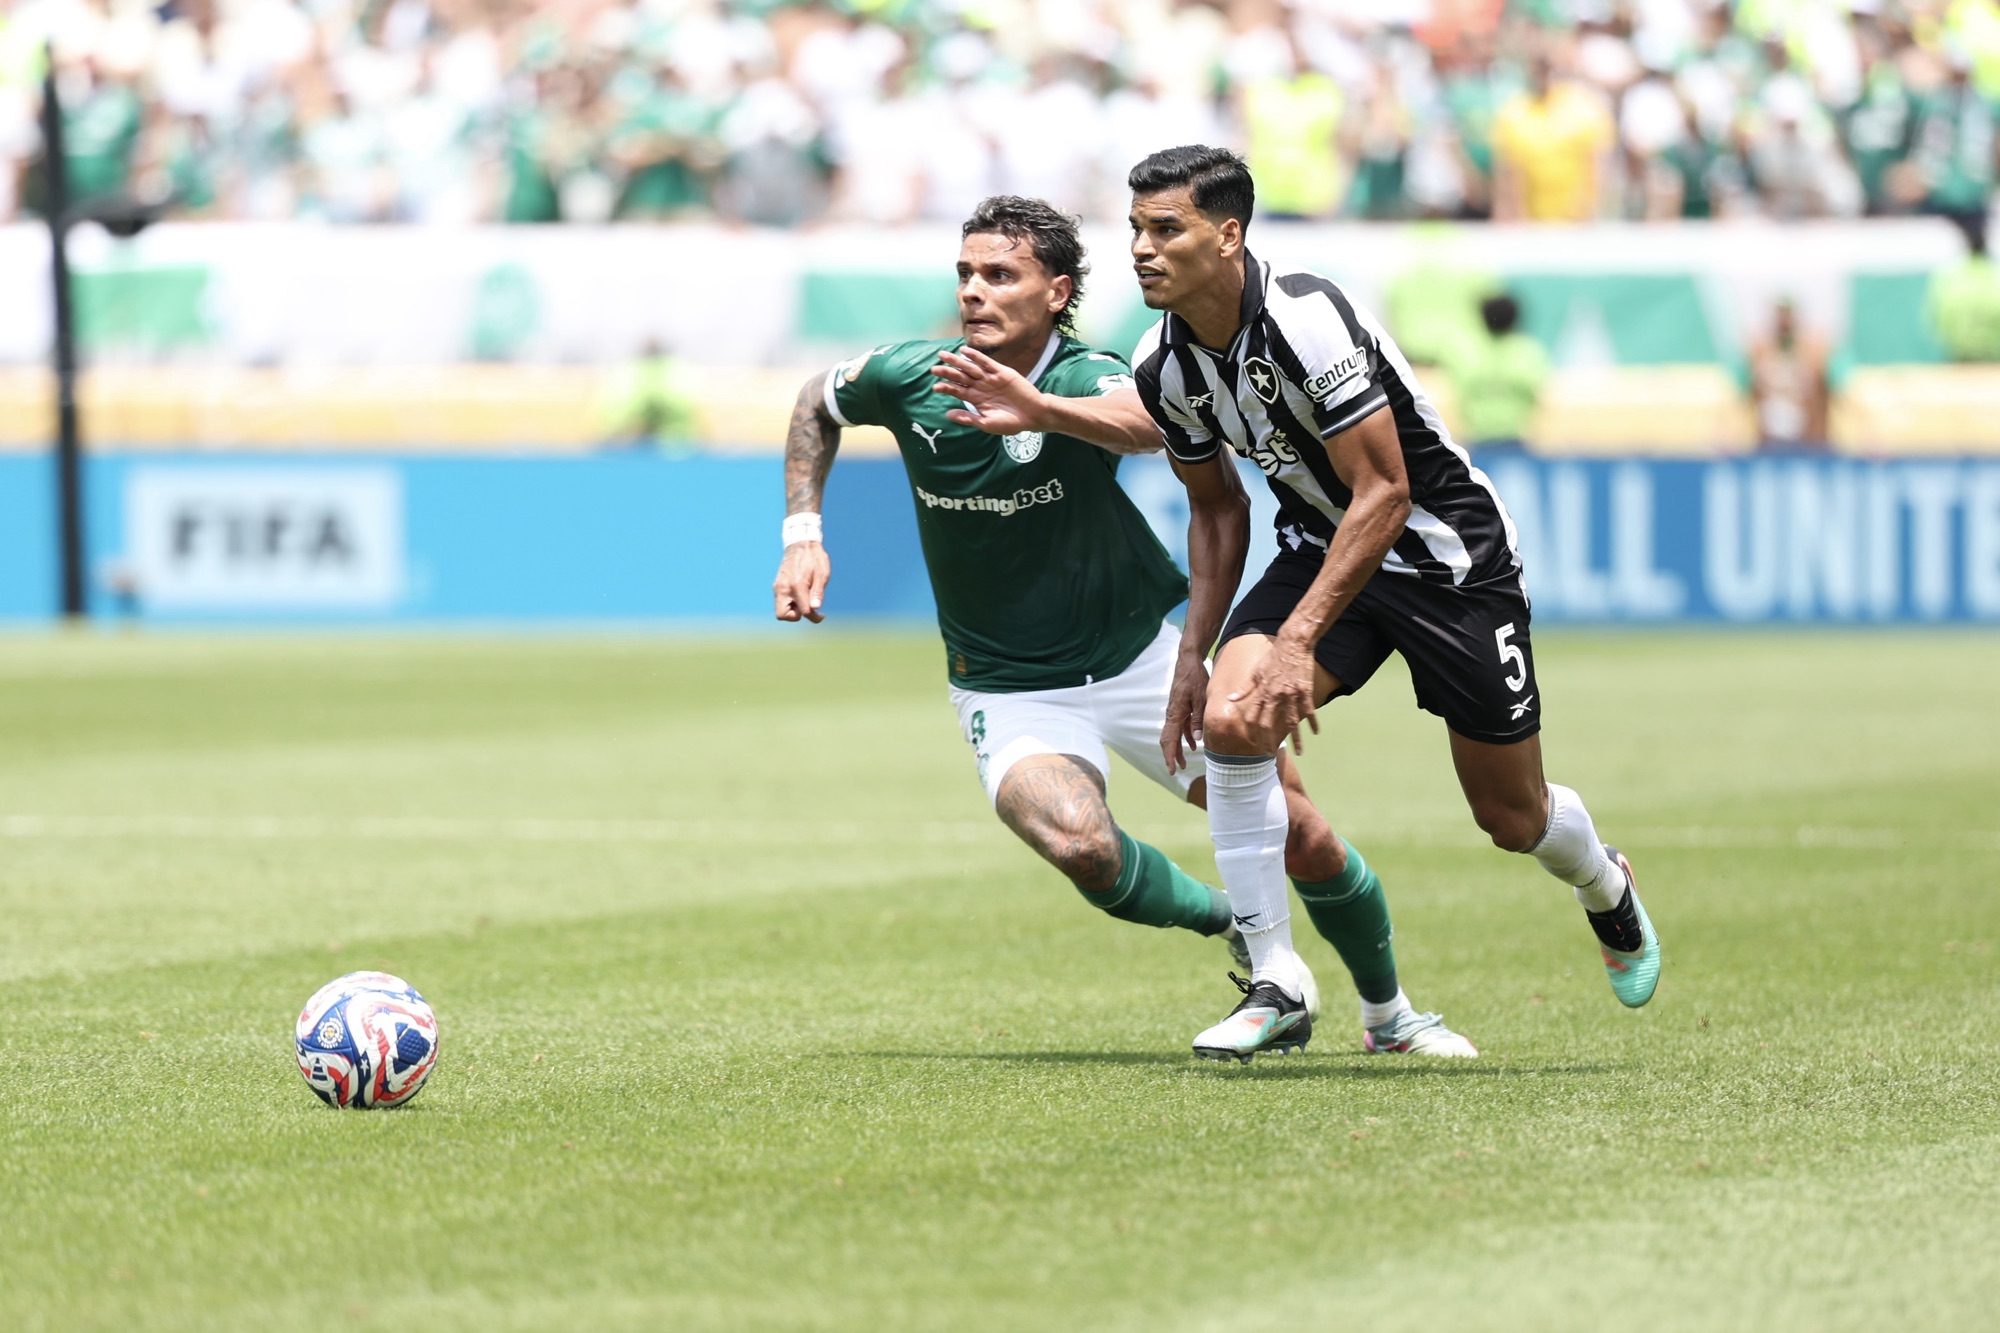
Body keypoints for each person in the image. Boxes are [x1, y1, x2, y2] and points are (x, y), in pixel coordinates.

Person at [777, 194, 1477, 1060]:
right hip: (1004, 682)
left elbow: (1151, 422)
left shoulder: (1084, 374)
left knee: (1304, 835)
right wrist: (802, 532)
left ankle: (1393, 1015)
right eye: (966, 274)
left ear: (1057, 293)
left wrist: (1037, 409)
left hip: (1134, 661)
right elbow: (816, 402)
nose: (975, 292)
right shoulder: (910, 374)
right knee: (1081, 845)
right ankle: (1239, 926)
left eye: (1001, 275)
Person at [1104, 146, 1656, 1061]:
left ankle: (1606, 883)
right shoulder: (1162, 364)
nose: (1142, 249)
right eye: (1135, 229)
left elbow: (1387, 491)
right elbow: (1214, 509)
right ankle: (1276, 980)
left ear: (1228, 233)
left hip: (1445, 561)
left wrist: (1297, 641)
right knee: (1234, 723)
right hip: (1326, 549)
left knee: (1511, 820)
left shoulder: (1308, 318)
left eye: (1167, 229)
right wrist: (1194, 656)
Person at [1443, 294, 1550, 451]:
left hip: (1477, 437)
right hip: (1516, 436)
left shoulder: (1463, 351)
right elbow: (1539, 394)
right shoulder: (1528, 351)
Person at [1745, 298, 1830, 449]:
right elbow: (1752, 390)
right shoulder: (1761, 350)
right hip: (1768, 435)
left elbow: (1819, 390)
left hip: (1806, 436)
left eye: (1788, 316)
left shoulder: (1811, 350)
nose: (1784, 322)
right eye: (1780, 315)